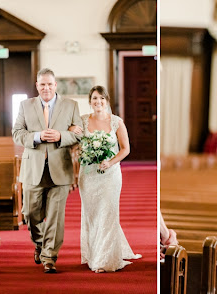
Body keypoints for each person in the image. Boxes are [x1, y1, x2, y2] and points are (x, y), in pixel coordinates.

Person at [12, 68, 83, 273]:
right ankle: (40, 243)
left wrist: (61, 136)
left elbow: (78, 134)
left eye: (50, 84)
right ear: (37, 85)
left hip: (60, 168)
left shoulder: (71, 105)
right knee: (31, 214)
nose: (46, 88)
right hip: (33, 168)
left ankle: (49, 258)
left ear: (56, 85)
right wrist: (37, 136)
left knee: (55, 216)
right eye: (42, 84)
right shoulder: (26, 105)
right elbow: (17, 133)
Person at [68, 86, 141, 273]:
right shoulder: (83, 121)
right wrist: (71, 129)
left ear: (106, 100)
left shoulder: (116, 122)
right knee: (92, 215)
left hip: (110, 175)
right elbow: (72, 139)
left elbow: (125, 149)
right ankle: (94, 253)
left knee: (108, 214)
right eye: (94, 98)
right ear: (90, 101)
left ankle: (104, 259)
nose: (98, 102)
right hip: (89, 176)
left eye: (101, 98)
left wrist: (110, 162)